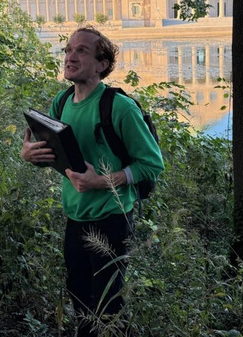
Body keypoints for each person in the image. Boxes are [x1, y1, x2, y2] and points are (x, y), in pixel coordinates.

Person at [21, 26, 164, 337]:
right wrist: (30, 155)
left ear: (102, 65)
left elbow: (152, 165)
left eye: (82, 51)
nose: (71, 56)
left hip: (112, 221)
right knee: (81, 305)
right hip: (74, 219)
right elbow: (57, 158)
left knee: (109, 309)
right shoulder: (60, 103)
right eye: (68, 50)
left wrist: (100, 181)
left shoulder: (119, 107)